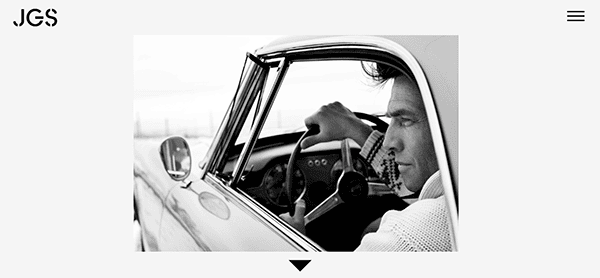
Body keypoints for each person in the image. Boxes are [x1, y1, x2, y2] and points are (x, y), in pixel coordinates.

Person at [279, 63, 452, 251]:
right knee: (371, 228)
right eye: (391, 120)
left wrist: (291, 242)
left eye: (405, 120)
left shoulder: (408, 238)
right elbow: (420, 181)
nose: (388, 142)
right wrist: (353, 127)